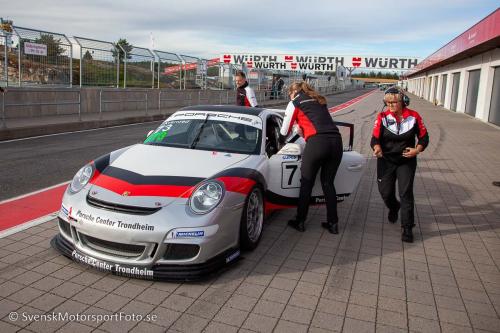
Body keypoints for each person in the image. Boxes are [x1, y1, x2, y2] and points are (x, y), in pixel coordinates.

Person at [280, 81, 343, 234]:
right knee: (328, 183)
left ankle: (300, 221)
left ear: (293, 92)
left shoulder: (295, 102)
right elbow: (316, 120)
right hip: (336, 141)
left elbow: (284, 132)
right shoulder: (318, 99)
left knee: (307, 182)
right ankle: (333, 224)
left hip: (317, 142)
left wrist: (282, 143)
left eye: (289, 94)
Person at [371, 86, 429, 243]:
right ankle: (393, 207)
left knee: (406, 193)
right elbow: (375, 139)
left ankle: (407, 228)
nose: (390, 106)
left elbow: (424, 138)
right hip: (386, 161)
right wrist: (376, 148)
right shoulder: (382, 116)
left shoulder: (414, 116)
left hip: (406, 161)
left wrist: (417, 150)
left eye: (393, 102)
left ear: (403, 101)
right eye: (387, 103)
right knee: (385, 193)